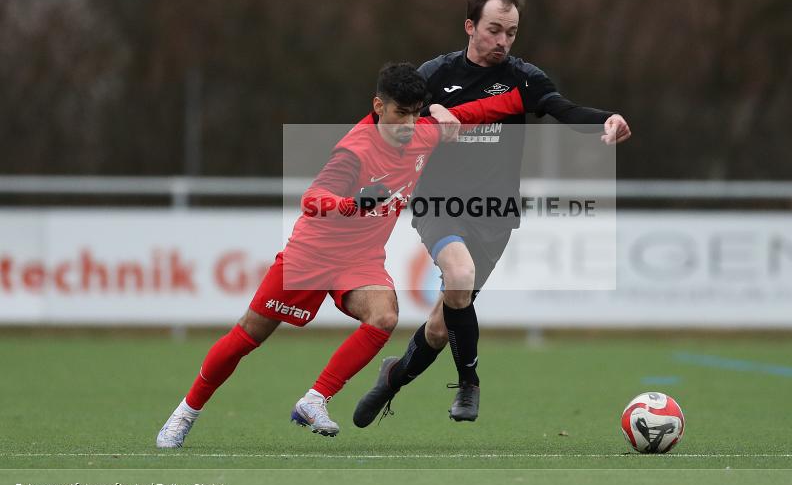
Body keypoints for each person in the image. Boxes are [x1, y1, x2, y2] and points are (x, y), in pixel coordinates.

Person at [156, 62, 525, 447]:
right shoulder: (355, 150)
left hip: (360, 259)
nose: (409, 124)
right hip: (312, 254)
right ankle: (186, 412)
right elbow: (311, 198)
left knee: (384, 317)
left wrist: (528, 97)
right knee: (249, 334)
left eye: (417, 113)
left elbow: (474, 111)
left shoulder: (422, 133)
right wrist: (352, 204)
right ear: (378, 106)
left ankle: (314, 399)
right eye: (401, 113)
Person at [354, 0, 632, 427]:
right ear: (470, 26)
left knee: (442, 326)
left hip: (494, 212)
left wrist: (607, 119)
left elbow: (563, 109)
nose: (503, 41)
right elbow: (388, 121)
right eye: (494, 30)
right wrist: (429, 115)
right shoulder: (435, 75)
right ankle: (469, 383)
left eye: (512, 32)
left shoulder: (523, 78)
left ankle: (393, 378)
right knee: (459, 274)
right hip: (438, 203)